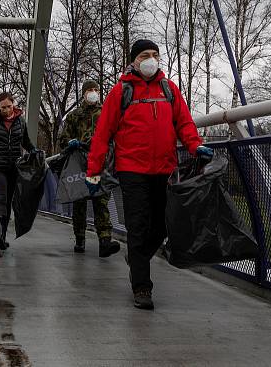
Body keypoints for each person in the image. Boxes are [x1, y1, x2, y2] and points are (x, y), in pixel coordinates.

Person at [85, 40, 212, 310]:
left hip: (164, 168)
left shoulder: (169, 89)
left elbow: (184, 122)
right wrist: (93, 171)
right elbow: (102, 135)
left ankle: (137, 255)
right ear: (133, 60)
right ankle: (142, 287)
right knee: (138, 225)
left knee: (162, 225)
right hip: (131, 170)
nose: (151, 59)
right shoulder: (121, 92)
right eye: (145, 55)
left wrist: (195, 145)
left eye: (155, 55)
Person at [59, 79, 121, 258]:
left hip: (101, 164)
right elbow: (63, 139)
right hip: (80, 164)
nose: (93, 92)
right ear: (84, 93)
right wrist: (69, 143)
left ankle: (105, 241)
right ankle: (80, 238)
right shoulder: (74, 116)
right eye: (90, 90)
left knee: (101, 201)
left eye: (96, 89)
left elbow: (116, 135)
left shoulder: (106, 113)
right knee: (79, 203)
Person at [0, 92, 36, 251]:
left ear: (13, 104)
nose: (6, 110)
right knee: (1, 198)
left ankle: (2, 237)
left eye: (9, 106)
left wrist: (34, 151)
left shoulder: (20, 121)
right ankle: (1, 235)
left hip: (14, 167)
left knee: (8, 200)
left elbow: (25, 142)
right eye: (3, 107)